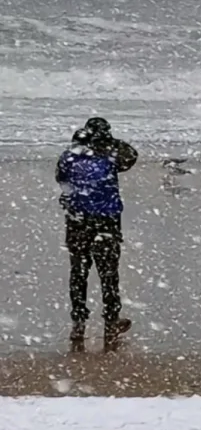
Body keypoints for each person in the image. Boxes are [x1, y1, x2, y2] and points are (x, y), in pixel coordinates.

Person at [55, 117, 138, 348]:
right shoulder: (110, 157)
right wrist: (111, 141)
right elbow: (131, 156)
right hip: (106, 222)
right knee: (109, 273)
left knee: (79, 272)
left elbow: (61, 179)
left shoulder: (69, 157)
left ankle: (78, 322)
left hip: (77, 221)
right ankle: (111, 322)